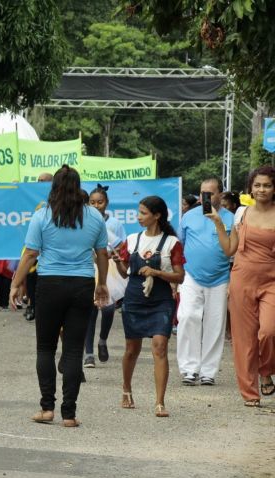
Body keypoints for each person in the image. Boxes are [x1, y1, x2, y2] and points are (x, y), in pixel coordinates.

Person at [9, 165, 109, 428]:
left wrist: (16, 284)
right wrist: (103, 284)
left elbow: (30, 254)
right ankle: (69, 413)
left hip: (50, 283)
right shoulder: (96, 217)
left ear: (53, 187)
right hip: (82, 284)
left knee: (45, 348)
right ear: (79, 187)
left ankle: (47, 408)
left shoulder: (42, 216)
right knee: (74, 351)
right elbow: (101, 254)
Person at [210, 166, 275, 407]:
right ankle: (250, 393)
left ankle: (266, 370)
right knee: (244, 339)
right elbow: (229, 250)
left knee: (269, 331)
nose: (262, 190)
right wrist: (218, 223)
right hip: (242, 278)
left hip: (271, 280)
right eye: (257, 185)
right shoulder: (241, 214)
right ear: (250, 188)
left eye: (267, 185)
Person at [115, 196, 185, 417]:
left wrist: (156, 272)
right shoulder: (132, 239)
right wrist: (118, 261)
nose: (138, 216)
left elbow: (180, 277)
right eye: (139, 212)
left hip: (162, 299)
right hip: (134, 298)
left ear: (157, 215)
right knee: (131, 349)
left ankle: (160, 402)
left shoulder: (172, 243)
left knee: (160, 346)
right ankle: (126, 389)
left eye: (143, 213)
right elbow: (125, 272)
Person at [176, 178, 234, 386]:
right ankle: (189, 369)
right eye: (202, 193)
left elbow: (234, 250)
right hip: (191, 274)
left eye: (210, 193)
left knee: (215, 325)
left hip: (220, 278)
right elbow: (179, 246)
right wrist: (177, 276)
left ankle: (208, 371)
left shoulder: (231, 218)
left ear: (220, 194)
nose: (205, 197)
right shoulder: (188, 217)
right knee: (188, 316)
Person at [83, 184, 126, 367]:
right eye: (92, 202)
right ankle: (89, 354)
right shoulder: (84, 221)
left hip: (108, 269)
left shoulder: (114, 223)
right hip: (88, 268)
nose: (96, 205)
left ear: (106, 203)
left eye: (99, 202)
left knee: (108, 308)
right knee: (90, 311)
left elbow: (122, 245)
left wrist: (107, 254)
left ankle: (102, 340)